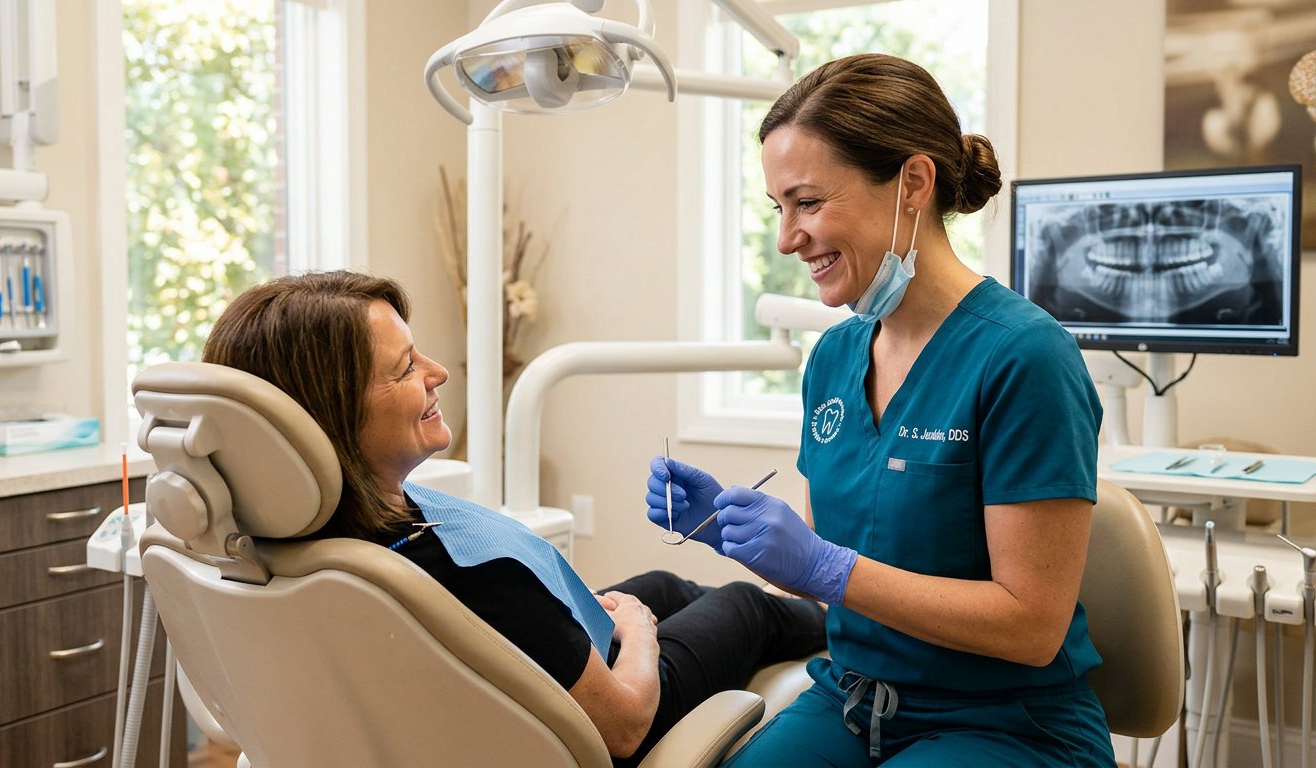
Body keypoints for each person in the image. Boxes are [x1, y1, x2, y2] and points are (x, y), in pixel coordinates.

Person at [645, 53, 1113, 766]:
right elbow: (836, 561)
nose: (785, 238)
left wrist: (828, 568)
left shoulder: (1025, 357)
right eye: (778, 208)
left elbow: (1031, 625)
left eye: (807, 202)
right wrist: (727, 531)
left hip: (1003, 722)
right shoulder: (834, 359)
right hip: (852, 700)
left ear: (913, 184)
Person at [201, 270, 825, 766]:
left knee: (662, 586)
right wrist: (638, 634)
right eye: (405, 368)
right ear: (332, 416)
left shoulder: (285, 542)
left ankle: (809, 612)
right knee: (746, 603)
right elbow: (627, 724)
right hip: (603, 728)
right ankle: (840, 625)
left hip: (478, 701)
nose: (438, 372)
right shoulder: (463, 574)